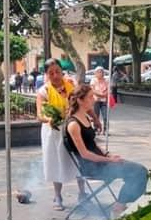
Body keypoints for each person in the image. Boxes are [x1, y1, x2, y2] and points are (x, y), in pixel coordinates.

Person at [64, 85, 148, 218]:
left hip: (100, 161)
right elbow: (85, 154)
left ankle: (121, 202)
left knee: (139, 171)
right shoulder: (73, 124)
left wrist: (108, 154)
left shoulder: (85, 117)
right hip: (91, 167)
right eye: (90, 97)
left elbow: (93, 144)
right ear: (80, 100)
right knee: (138, 171)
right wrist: (109, 160)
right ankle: (119, 205)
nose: (93, 99)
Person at [37, 59, 102, 211]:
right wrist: (49, 119)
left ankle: (83, 194)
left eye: (57, 71)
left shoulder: (71, 85)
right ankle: (58, 196)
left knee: (79, 160)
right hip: (54, 131)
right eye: (51, 73)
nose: (55, 75)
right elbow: (39, 115)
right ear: (46, 74)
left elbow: (84, 102)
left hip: (74, 127)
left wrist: (95, 118)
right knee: (55, 162)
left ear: (62, 71)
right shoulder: (43, 91)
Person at [89, 66, 109, 134]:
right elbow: (92, 90)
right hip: (96, 101)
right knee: (95, 116)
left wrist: (105, 95)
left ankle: (105, 130)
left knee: (105, 116)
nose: (100, 73)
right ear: (95, 73)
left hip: (104, 101)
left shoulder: (106, 80)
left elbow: (108, 90)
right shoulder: (93, 80)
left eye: (101, 72)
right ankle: (96, 128)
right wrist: (100, 95)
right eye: (98, 72)